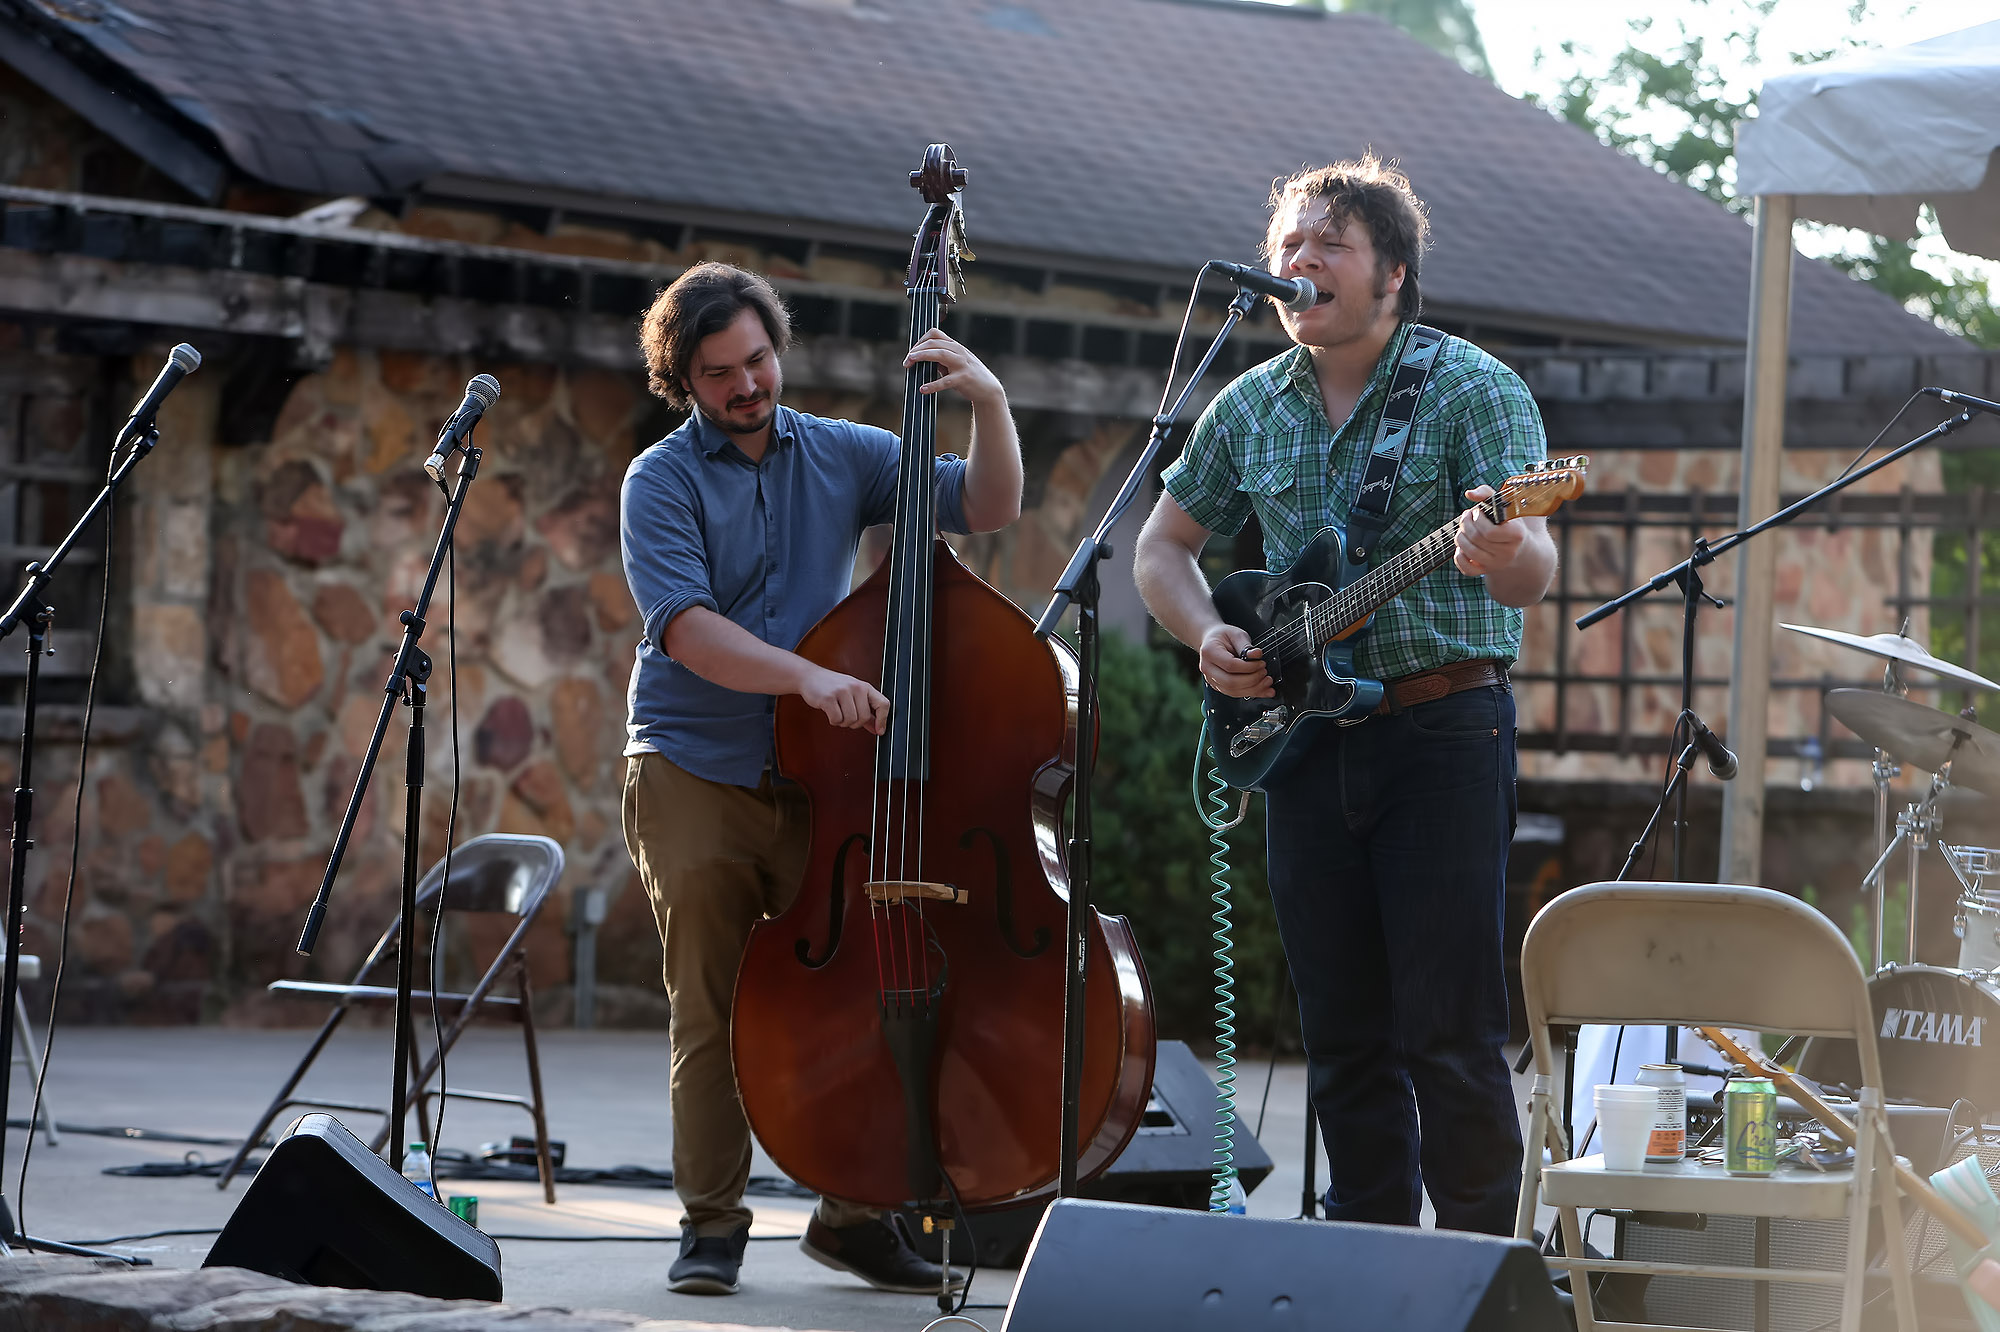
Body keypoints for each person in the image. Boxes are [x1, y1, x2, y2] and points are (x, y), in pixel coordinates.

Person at [1132, 156, 1556, 1235]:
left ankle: (1478, 1272)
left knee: (1447, 1033)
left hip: (1440, 728)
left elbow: (1531, 568)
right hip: (1303, 743)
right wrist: (1210, 634)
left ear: (1391, 275)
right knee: (1341, 1034)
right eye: (1286, 245)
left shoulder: (1470, 388)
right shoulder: (1245, 404)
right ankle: (1362, 1262)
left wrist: (1496, 545)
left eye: (1328, 245)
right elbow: (1159, 550)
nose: (1298, 262)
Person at [619, 261, 1024, 1295]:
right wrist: (806, 676)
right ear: (684, 381)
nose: (746, 384)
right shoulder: (656, 481)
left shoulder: (845, 453)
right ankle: (711, 1226)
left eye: (757, 359)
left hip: (819, 782)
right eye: (719, 373)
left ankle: (851, 1218)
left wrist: (986, 402)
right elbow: (690, 634)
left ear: (777, 348)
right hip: (690, 768)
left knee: (854, 984)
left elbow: (984, 506)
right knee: (708, 1008)